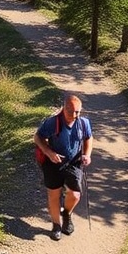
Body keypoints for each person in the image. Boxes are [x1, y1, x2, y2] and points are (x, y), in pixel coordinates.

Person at [33, 94, 93, 241]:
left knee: (75, 194)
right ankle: (56, 226)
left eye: (77, 112)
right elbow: (38, 137)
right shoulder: (53, 123)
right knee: (54, 194)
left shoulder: (83, 123)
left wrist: (87, 154)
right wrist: (49, 152)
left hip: (73, 163)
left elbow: (88, 138)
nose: (74, 115)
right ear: (63, 108)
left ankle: (66, 214)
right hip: (52, 163)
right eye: (70, 111)